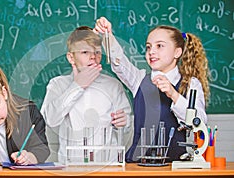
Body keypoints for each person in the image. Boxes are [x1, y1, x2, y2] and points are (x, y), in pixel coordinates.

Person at [94, 17, 210, 162]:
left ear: (177, 52)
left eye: (159, 46)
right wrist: (108, 36)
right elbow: (119, 62)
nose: (151, 52)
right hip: (138, 165)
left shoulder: (191, 84)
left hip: (175, 166)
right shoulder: (139, 79)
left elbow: (200, 122)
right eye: (148, 47)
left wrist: (173, 94)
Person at [40, 26, 132, 164]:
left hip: (109, 166)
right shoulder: (58, 85)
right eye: (85, 52)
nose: (93, 57)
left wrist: (124, 122)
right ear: (71, 58)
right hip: (72, 167)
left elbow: (128, 126)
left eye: (97, 52)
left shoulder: (113, 85)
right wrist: (77, 86)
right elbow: (51, 119)